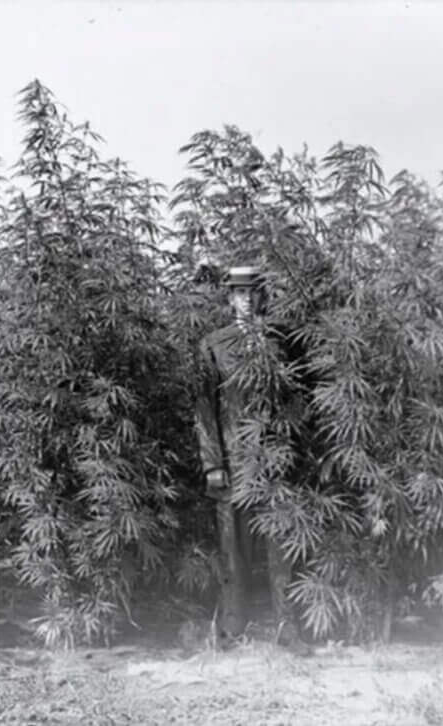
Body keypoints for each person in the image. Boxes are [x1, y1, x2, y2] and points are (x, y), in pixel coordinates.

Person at [194, 264, 303, 647]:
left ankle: (286, 630)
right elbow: (204, 408)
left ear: (262, 297)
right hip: (233, 461)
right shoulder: (215, 344)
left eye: (252, 292)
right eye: (238, 293)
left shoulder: (282, 341)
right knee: (233, 549)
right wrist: (212, 464)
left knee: (282, 550)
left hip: (274, 461)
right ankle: (230, 633)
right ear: (229, 299)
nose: (246, 300)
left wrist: (292, 452)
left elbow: (297, 401)